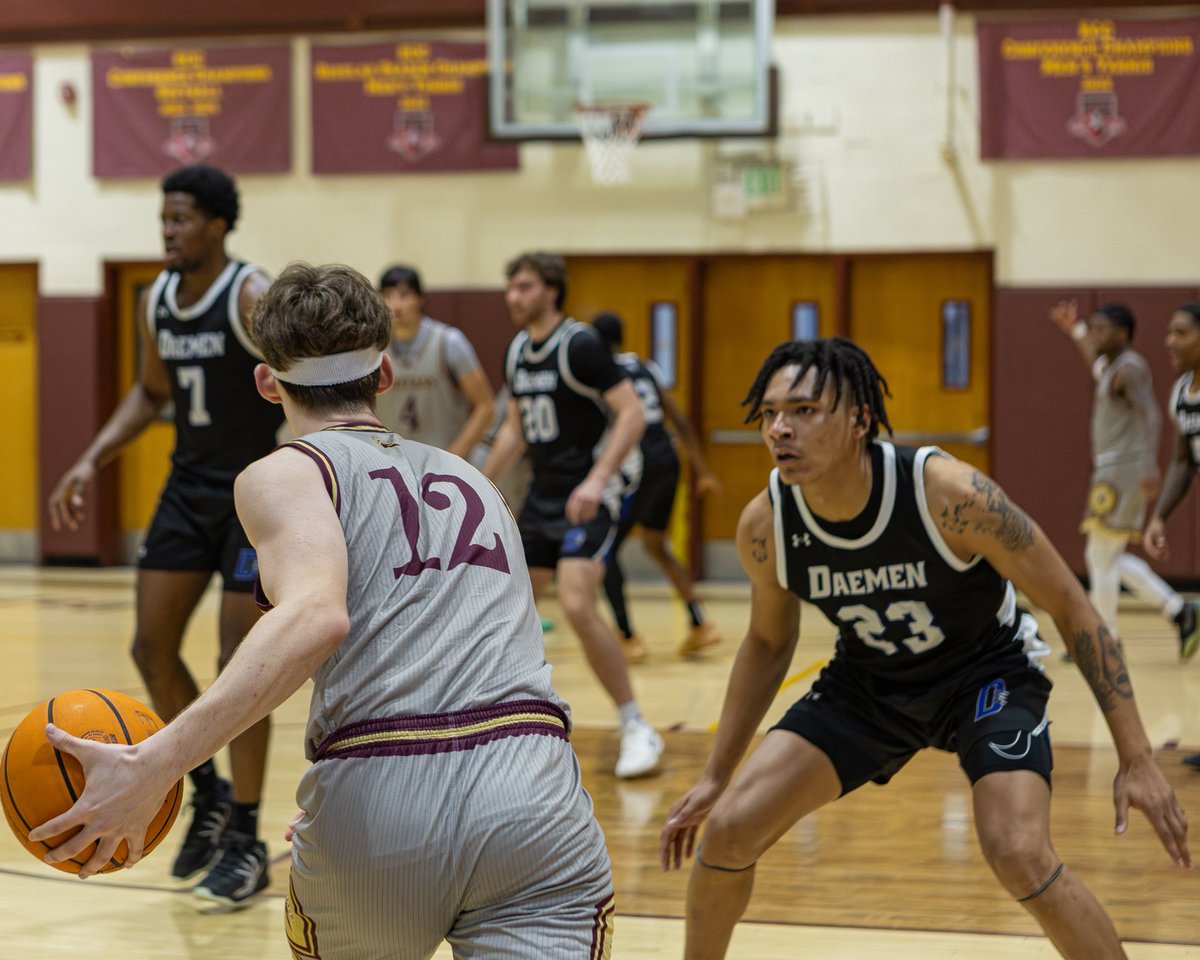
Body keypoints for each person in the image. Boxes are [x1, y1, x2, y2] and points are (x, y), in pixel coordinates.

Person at [30, 263, 616, 959]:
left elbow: (316, 616)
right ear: (385, 374)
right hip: (536, 794)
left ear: (266, 383)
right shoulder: (478, 482)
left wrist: (153, 764)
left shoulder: (285, 472)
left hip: (380, 802)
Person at [659, 338, 1190, 960]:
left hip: (986, 676)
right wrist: (716, 775)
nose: (780, 428)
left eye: (804, 410)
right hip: (868, 684)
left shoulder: (949, 494)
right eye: (770, 413)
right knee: (727, 832)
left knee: (1018, 852)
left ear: (859, 419)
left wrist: (1136, 755)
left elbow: (1074, 608)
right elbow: (768, 641)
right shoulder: (767, 523)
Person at [46, 164, 280, 907]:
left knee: (240, 662)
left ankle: (246, 836)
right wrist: (91, 457)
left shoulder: (249, 293)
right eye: (163, 219)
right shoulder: (155, 301)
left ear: (217, 223)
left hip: (253, 493)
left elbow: (299, 381)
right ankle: (206, 791)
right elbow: (151, 393)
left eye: (181, 219)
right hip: (186, 489)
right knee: (150, 647)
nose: (168, 231)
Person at [483, 252, 664, 779]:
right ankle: (510, 722)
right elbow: (515, 428)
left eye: (524, 286)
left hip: (592, 492)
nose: (513, 296)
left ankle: (636, 724)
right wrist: (480, 483)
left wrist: (597, 478)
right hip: (544, 494)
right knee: (506, 605)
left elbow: (632, 413)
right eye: (510, 287)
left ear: (551, 290)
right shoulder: (518, 351)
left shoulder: (580, 344)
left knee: (578, 601)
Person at [1049, 300, 1200, 660]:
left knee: (1099, 554)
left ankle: (1106, 638)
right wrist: (1076, 330)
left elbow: (1150, 413)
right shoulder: (1113, 367)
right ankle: (1179, 611)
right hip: (1114, 469)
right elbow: (1094, 361)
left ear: (1122, 333)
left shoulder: (1130, 368)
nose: (1095, 335)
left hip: (1123, 470)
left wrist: (1148, 464)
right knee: (1106, 557)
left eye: (1101, 329)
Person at [589, 311, 722, 662]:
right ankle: (700, 622)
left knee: (606, 551)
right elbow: (678, 419)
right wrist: (702, 471)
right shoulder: (644, 366)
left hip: (639, 465)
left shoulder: (602, 374)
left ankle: (627, 636)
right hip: (668, 460)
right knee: (655, 545)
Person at [1143, 300, 1200, 769]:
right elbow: (1184, 461)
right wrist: (1160, 516)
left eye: (1181, 332)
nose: (1170, 341)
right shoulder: (1182, 391)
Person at [374, 263, 495, 459]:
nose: (396, 305)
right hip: (393, 462)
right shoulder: (374, 348)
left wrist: (454, 456)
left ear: (420, 298)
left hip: (442, 461)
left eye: (404, 295)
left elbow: (486, 406)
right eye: (388, 295)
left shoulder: (449, 342)